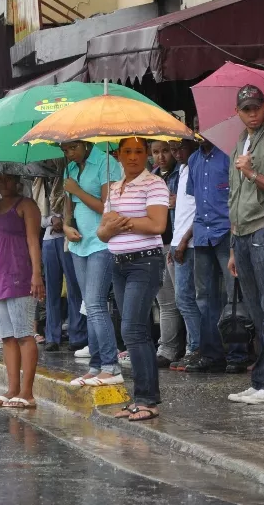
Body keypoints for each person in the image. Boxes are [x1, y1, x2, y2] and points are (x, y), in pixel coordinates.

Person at [98, 137, 169, 422]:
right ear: (117, 155)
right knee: (129, 332)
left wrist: (121, 222)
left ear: (146, 154)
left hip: (145, 262)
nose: (133, 156)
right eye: (127, 151)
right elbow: (102, 233)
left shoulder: (154, 184)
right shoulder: (115, 188)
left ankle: (147, 400)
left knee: (133, 330)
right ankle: (140, 397)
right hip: (118, 263)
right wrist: (111, 226)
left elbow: (157, 224)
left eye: (139, 151)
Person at [182, 131, 249, 373]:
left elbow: (239, 194)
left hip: (227, 232)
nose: (201, 131)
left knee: (233, 297)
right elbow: (195, 198)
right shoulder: (193, 160)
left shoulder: (230, 156)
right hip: (202, 235)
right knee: (205, 298)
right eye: (196, 126)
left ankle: (237, 355)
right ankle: (211, 355)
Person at [0, 170, 44, 409]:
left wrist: (37, 274)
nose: (3, 182)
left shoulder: (26, 205)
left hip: (19, 275)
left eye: (8, 177)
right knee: (7, 337)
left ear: (18, 181)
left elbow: (33, 241)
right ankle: (12, 389)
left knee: (24, 335)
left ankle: (27, 393)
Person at [228, 85, 264, 404]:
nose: (252, 113)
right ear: (238, 112)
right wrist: (232, 245)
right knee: (256, 313)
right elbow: (232, 196)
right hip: (242, 234)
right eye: (246, 109)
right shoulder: (237, 145)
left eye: (256, 107)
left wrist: (252, 173)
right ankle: (261, 379)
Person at [62, 141, 123, 385]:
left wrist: (77, 190)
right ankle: (96, 365)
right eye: (65, 149)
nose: (69, 153)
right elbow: (68, 210)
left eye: (73, 147)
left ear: (86, 143)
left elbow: (106, 208)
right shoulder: (70, 169)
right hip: (79, 243)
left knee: (96, 303)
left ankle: (111, 365)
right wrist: (66, 227)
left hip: (101, 242)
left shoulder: (106, 163)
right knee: (89, 304)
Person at [41, 161, 87, 352]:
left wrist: (66, 220)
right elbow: (38, 213)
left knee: (74, 287)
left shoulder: (73, 174)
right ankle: (52, 335)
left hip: (72, 236)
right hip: (49, 237)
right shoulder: (41, 180)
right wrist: (52, 220)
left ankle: (78, 334)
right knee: (51, 289)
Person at [164, 140, 201, 368]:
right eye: (173, 149)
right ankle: (193, 347)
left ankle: (195, 348)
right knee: (183, 299)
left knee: (187, 299)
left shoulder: (195, 167)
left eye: (180, 148)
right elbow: (181, 213)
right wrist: (174, 243)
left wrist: (184, 240)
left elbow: (201, 209)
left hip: (192, 243)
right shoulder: (182, 170)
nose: (176, 153)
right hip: (179, 243)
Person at [150, 141, 184, 368]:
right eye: (156, 152)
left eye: (165, 151)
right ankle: (167, 348)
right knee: (165, 301)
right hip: (157, 243)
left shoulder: (181, 173)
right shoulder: (151, 177)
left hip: (177, 243)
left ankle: (192, 347)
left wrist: (176, 201)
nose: (161, 156)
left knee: (184, 299)